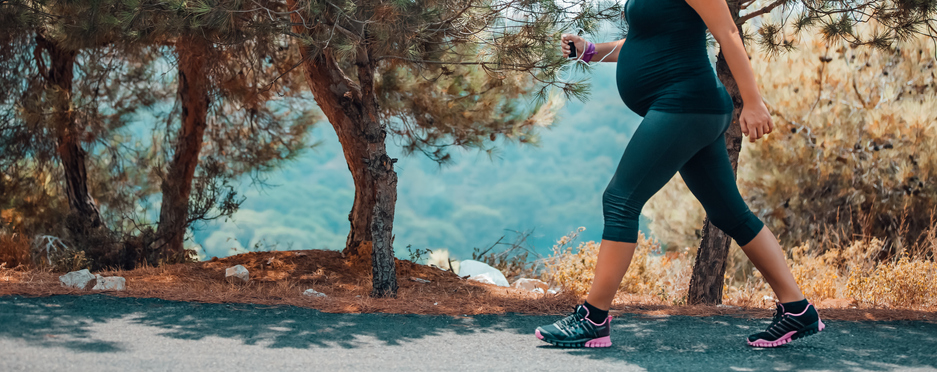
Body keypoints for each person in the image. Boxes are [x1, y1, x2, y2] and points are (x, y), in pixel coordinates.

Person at [534, 0, 825, 348]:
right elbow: (648, 40)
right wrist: (591, 51)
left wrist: (753, 101)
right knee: (729, 213)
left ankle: (593, 318)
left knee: (620, 200)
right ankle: (797, 309)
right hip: (686, 105)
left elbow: (728, 32)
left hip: (685, 103)